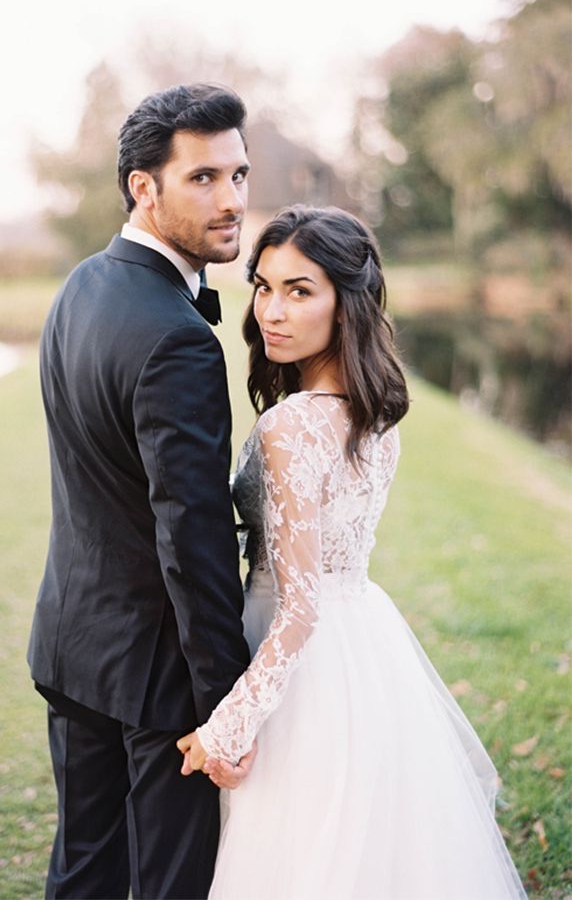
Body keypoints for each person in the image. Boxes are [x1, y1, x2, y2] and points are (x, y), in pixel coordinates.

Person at [177, 205, 527, 899]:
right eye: (264, 285)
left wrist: (230, 724)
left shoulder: (292, 424)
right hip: (362, 644)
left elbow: (300, 608)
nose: (271, 310)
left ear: (348, 303)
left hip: (297, 658)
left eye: (299, 290)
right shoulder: (373, 412)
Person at [27, 83, 255, 900]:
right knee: (170, 883)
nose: (231, 199)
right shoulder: (178, 341)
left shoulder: (80, 287)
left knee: (83, 873)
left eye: (238, 174)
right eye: (204, 178)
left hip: (70, 642)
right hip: (158, 681)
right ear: (143, 186)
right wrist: (228, 703)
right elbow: (191, 539)